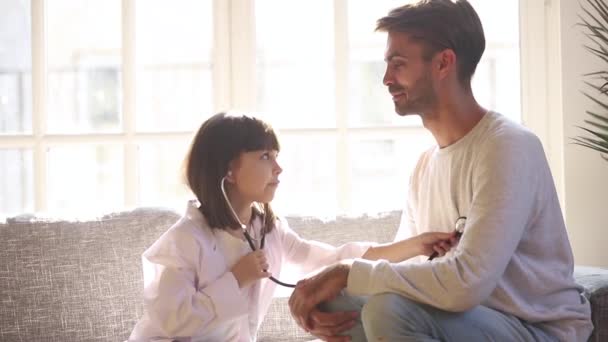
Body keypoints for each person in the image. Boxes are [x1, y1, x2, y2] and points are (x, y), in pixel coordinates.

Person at [288, 1, 594, 341]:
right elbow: (411, 275)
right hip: (461, 321)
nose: (387, 79)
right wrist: (325, 287)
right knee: (332, 306)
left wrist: (348, 271)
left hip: (535, 330)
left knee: (387, 310)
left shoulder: (508, 146)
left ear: (444, 63)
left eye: (398, 65)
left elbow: (465, 283)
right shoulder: (425, 166)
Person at [128, 112, 459, 342]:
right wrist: (237, 278)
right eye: (265, 157)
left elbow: (334, 259)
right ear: (228, 169)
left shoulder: (269, 232)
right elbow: (172, 318)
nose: (279, 167)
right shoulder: (186, 240)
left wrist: (416, 245)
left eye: (276, 156)